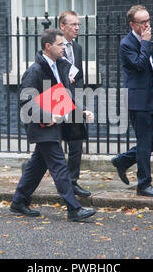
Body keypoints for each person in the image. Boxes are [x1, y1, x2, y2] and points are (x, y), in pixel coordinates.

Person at [10, 28, 96, 222]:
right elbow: (26, 102)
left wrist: (79, 111)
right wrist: (45, 117)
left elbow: (63, 95)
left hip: (55, 123)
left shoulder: (60, 66)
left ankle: (18, 201)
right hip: (42, 125)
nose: (64, 48)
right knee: (58, 165)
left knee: (37, 165)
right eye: (60, 44)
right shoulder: (34, 71)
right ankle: (73, 208)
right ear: (47, 47)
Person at [111, 5, 153, 197]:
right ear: (132, 24)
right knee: (144, 142)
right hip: (137, 100)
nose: (147, 25)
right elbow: (140, 65)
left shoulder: (145, 41)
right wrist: (145, 43)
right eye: (143, 22)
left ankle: (123, 160)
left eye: (148, 20)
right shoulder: (127, 44)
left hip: (152, 98)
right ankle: (143, 185)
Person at [58, 10, 91, 197]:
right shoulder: (54, 46)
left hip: (75, 101)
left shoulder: (77, 48)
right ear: (62, 26)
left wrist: (80, 101)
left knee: (76, 142)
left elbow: (79, 76)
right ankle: (30, 169)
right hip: (57, 100)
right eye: (73, 24)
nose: (77, 27)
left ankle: (73, 182)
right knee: (52, 143)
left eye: (78, 24)